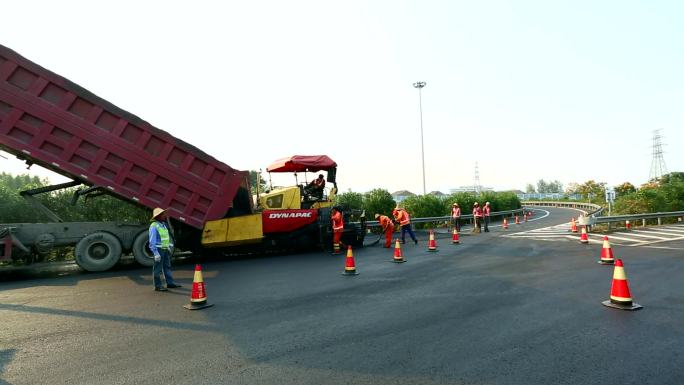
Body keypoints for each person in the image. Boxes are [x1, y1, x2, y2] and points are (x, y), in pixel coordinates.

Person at [149, 208, 181, 291]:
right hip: (159, 250)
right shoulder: (154, 226)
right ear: (158, 216)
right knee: (157, 269)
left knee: (167, 266)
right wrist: (155, 253)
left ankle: (170, 283)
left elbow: (165, 238)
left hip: (165, 249)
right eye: (163, 214)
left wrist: (168, 247)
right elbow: (152, 241)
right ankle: (158, 286)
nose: (165, 215)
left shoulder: (163, 224)